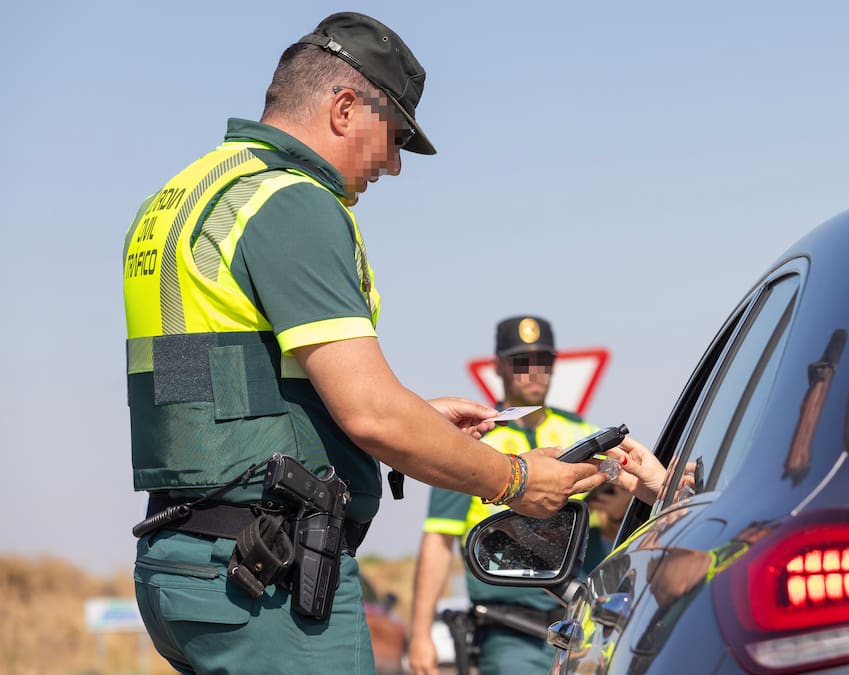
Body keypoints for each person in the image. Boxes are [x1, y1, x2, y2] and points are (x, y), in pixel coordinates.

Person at [121, 14, 603, 675]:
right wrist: (515, 479)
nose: (396, 165)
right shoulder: (291, 201)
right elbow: (370, 412)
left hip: (184, 569)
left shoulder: (186, 196)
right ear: (345, 108)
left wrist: (415, 417)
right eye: (396, 136)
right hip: (271, 582)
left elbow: (210, 391)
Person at [408, 315, 603, 675]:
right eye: (520, 362)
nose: (533, 373)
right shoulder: (471, 442)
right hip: (510, 630)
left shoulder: (583, 433)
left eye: (542, 362)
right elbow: (439, 538)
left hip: (584, 621)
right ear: (497, 366)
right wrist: (420, 634)